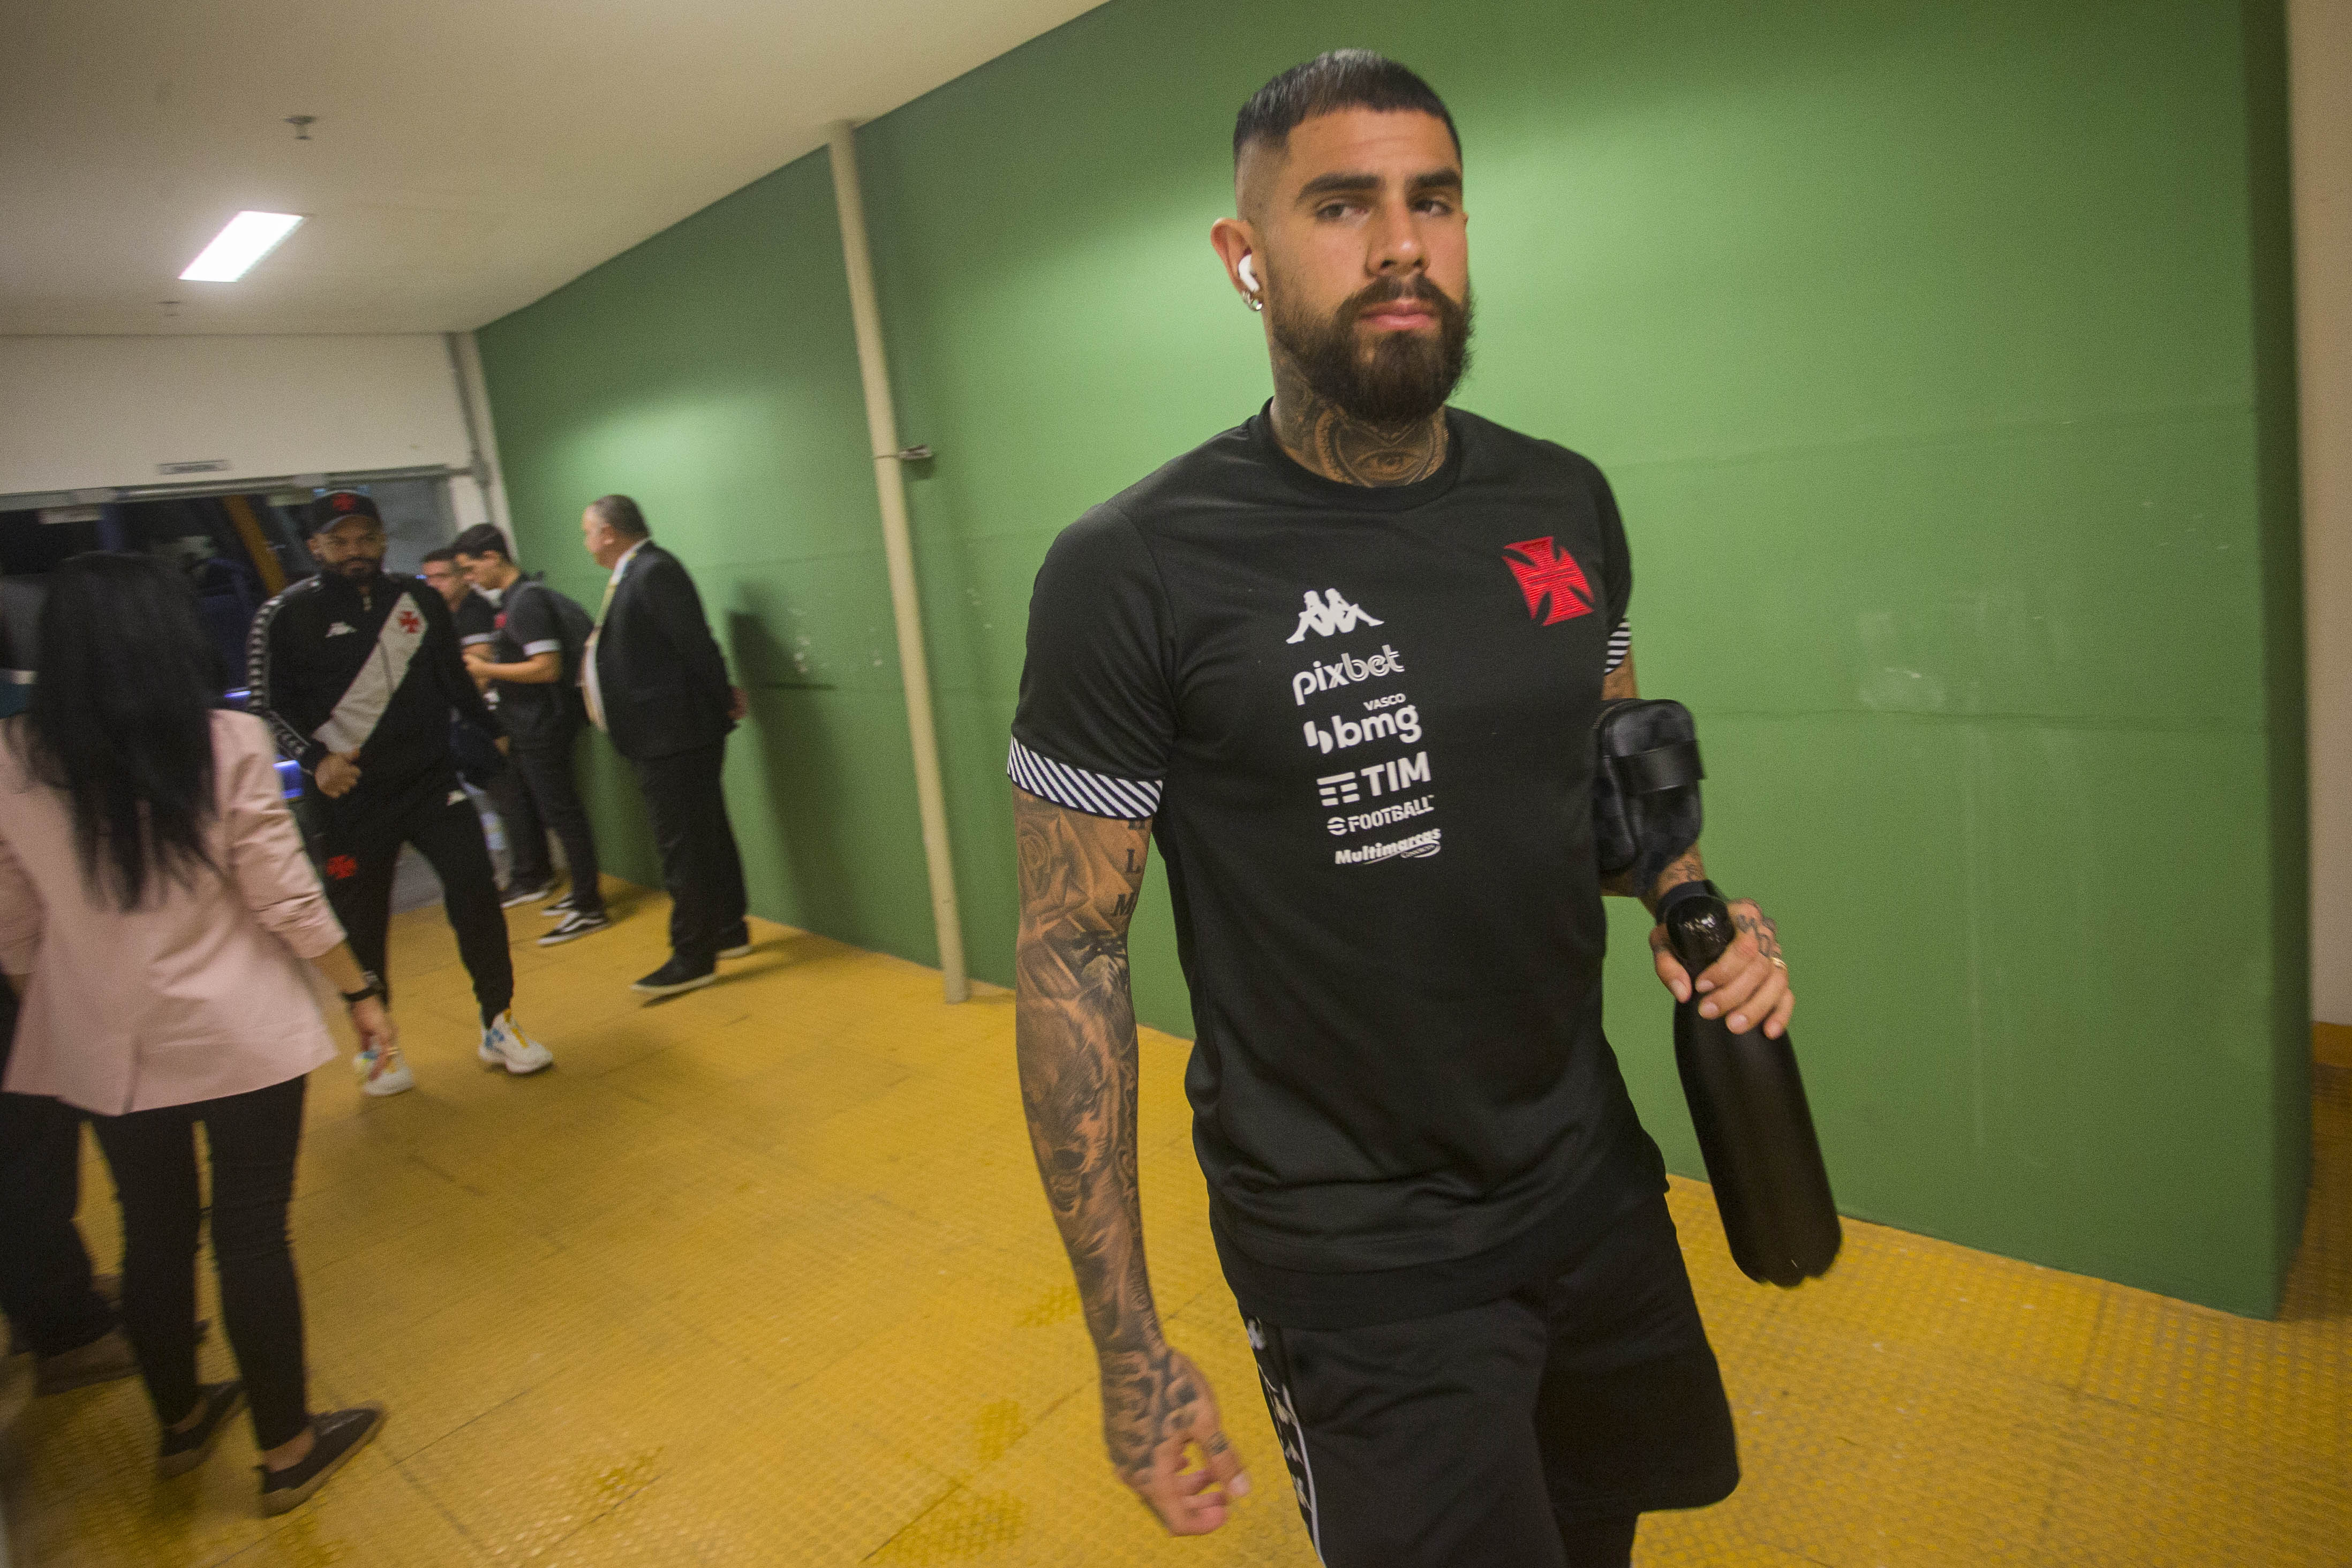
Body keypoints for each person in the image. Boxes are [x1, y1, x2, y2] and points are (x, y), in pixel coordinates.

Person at [1008, 54, 1797, 1567]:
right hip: (1357, 1265)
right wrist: (1126, 1341)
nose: (1398, 245)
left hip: (1589, 1185)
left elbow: (1613, 765)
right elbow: (1069, 952)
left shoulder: (1562, 501)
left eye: (1432, 200)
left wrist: (1692, 901)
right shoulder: (1132, 569)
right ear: (1245, 255)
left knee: (1601, 1535)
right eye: (1339, 206)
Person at [1, 553, 387, 1515]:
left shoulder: (15, 755)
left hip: (107, 1047)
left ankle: (180, 1423)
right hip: (237, 1034)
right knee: (252, 1232)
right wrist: (358, 988)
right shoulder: (226, 739)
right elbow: (284, 895)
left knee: (152, 1232)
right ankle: (288, 1448)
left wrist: (73, 997)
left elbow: (14, 928)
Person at [246, 491, 553, 1088]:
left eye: (366, 538)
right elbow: (266, 704)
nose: (355, 551)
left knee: (477, 894)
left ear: (383, 540)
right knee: (360, 922)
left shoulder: (418, 599)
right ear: (315, 547)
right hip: (348, 801)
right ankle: (379, 1048)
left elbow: (452, 678)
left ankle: (499, 1023)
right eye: (339, 541)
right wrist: (314, 760)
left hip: (432, 785)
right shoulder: (284, 614)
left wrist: (493, 732)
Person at [578, 495, 752, 996]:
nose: (587, 544)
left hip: (673, 734)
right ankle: (728, 929)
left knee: (683, 846)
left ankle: (693, 957)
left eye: (589, 533)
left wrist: (722, 698)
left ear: (609, 533)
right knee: (705, 833)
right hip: (668, 731)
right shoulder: (638, 572)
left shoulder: (653, 571)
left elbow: (694, 641)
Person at [449, 523, 610, 945]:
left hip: (543, 726)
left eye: (471, 569)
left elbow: (547, 668)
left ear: (492, 557)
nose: (470, 579)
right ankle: (582, 895)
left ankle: (589, 906)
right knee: (556, 812)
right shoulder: (513, 601)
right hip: (530, 724)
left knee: (564, 814)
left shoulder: (525, 603)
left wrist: (486, 669)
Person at [419, 546, 549, 901]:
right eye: (428, 578)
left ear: (463, 578)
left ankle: (531, 875)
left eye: (442, 576)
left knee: (509, 797)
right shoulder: (447, 614)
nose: (434, 584)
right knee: (503, 799)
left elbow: (475, 675)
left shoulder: (474, 613)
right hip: (472, 721)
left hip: (489, 718)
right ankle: (530, 872)